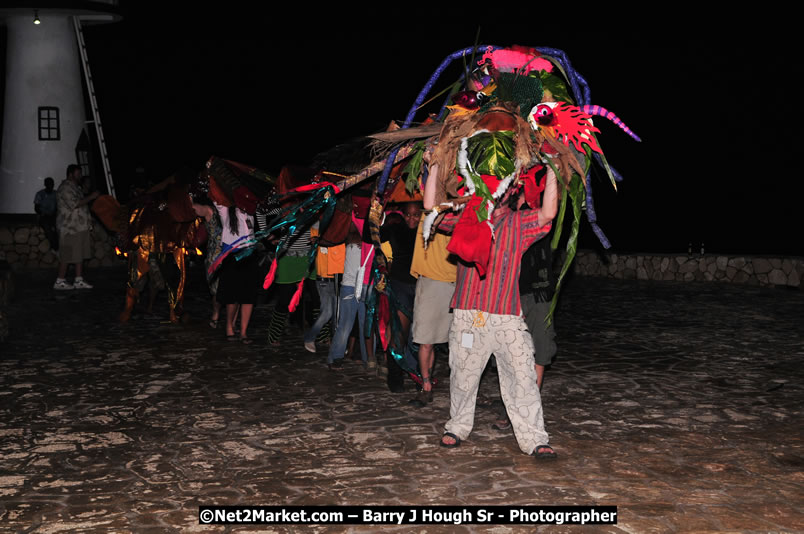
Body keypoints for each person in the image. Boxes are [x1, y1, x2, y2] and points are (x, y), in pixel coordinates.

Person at [428, 163, 560, 459]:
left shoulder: (519, 222)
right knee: (463, 375)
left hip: (507, 317)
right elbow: (431, 208)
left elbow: (548, 213)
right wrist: (436, 164)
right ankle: (457, 426)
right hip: (467, 315)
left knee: (523, 377)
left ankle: (534, 438)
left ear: (510, 192)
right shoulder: (466, 217)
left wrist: (552, 165)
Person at [408, 206, 457, 406]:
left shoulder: (456, 215)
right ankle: (426, 385)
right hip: (430, 283)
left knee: (455, 342)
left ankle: (462, 387)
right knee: (426, 340)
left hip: (455, 283)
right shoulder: (428, 213)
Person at [214, 202, 260, 343]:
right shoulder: (226, 210)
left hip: (249, 254)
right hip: (232, 256)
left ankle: (244, 332)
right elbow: (216, 197)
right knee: (232, 296)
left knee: (248, 296)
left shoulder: (251, 209)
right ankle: (229, 327)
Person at [54, 165, 99, 290]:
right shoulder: (65, 188)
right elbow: (74, 204)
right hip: (69, 228)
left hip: (79, 227)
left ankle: (78, 280)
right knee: (67, 255)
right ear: (70, 174)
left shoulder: (76, 187)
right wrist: (91, 196)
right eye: (78, 173)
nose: (80, 176)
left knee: (79, 254)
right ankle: (60, 281)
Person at [34, 177, 59, 252]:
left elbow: (58, 206)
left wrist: (55, 213)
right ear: (45, 184)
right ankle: (55, 247)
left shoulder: (56, 194)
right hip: (43, 216)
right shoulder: (40, 194)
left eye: (52, 183)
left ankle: (57, 247)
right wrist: (43, 213)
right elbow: (36, 208)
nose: (51, 185)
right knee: (48, 228)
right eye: (49, 184)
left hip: (53, 215)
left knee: (58, 228)